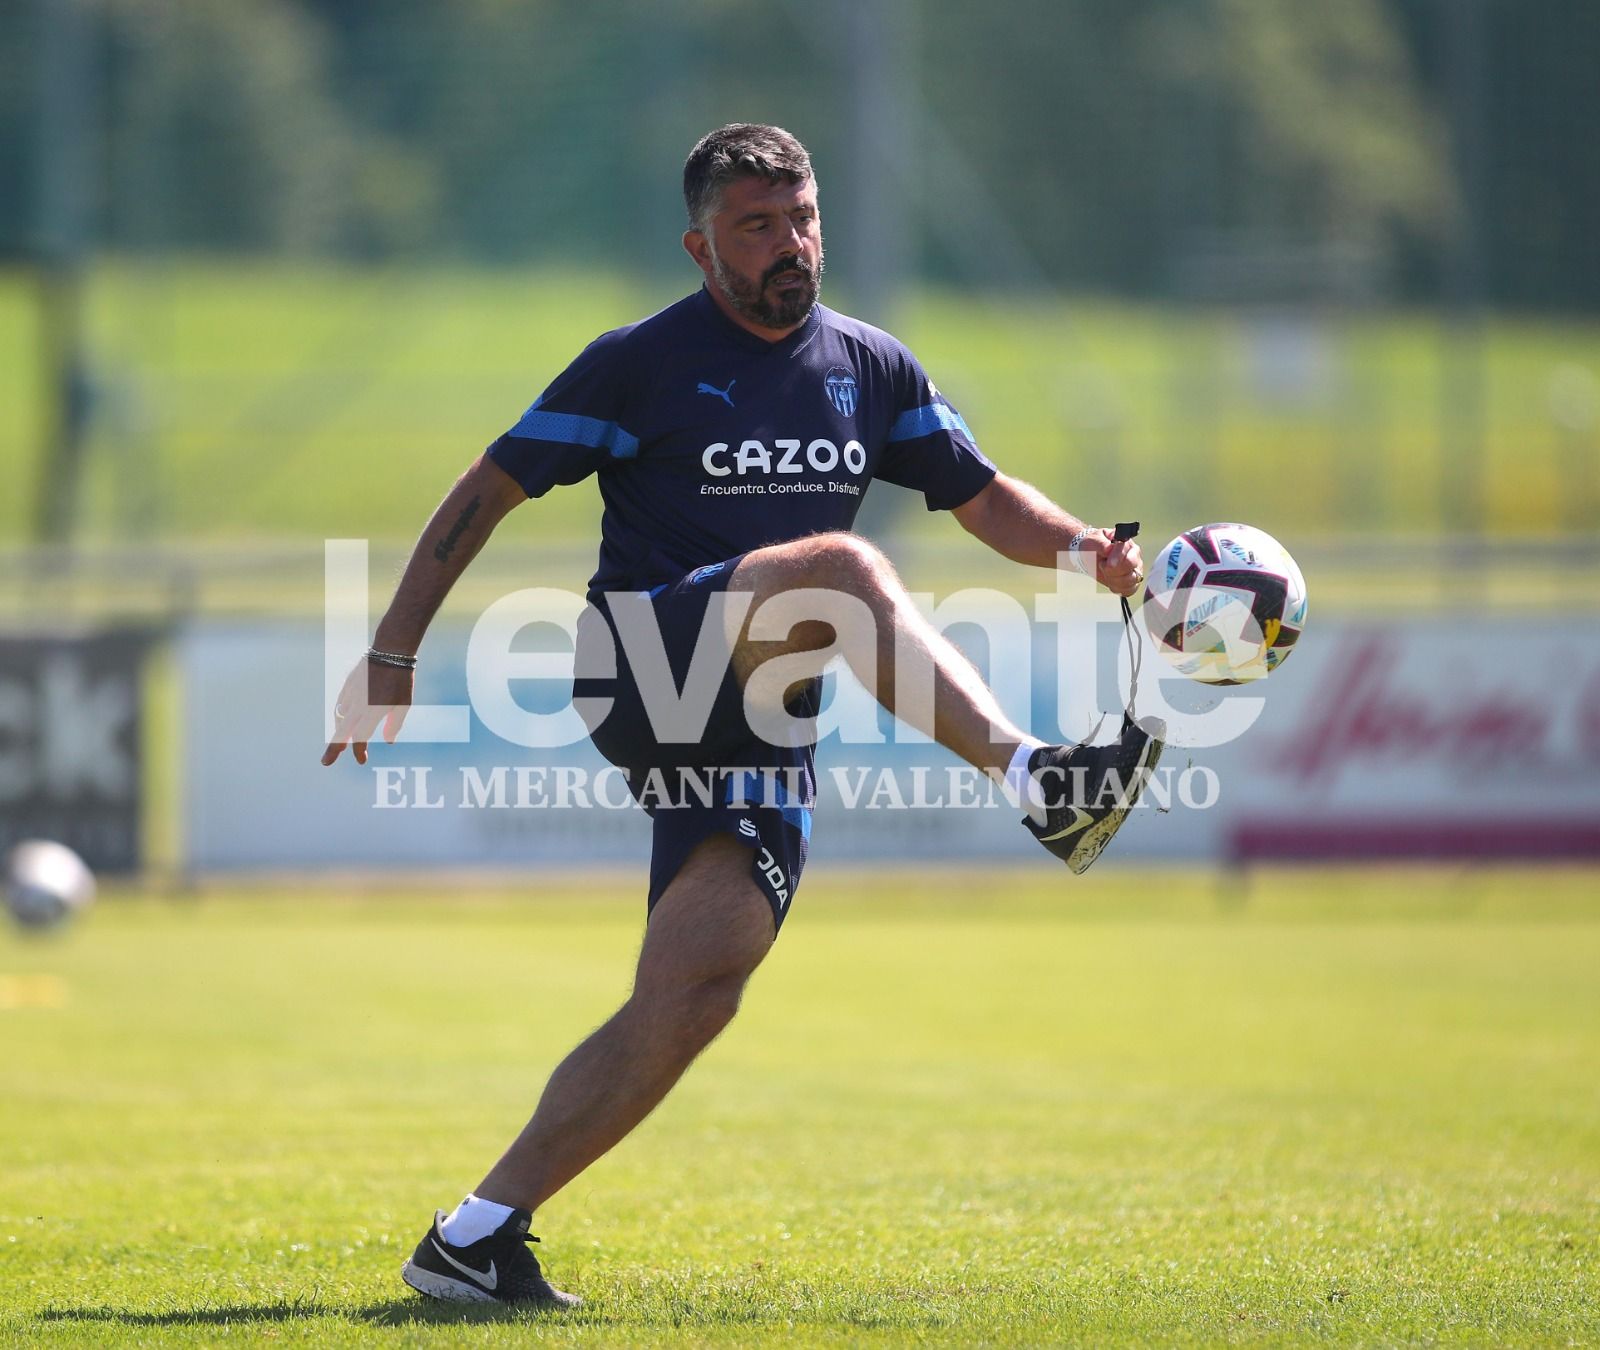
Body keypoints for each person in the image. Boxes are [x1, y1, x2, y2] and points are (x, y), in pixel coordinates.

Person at [322, 123, 1164, 1309]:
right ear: (700, 243)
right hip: (640, 662)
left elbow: (981, 500)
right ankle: (1042, 783)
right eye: (756, 226)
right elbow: (485, 492)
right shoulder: (636, 362)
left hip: (760, 725)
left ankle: (472, 1237)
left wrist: (1081, 546)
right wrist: (391, 651)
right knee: (841, 569)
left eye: (801, 217)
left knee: (696, 992)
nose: (788, 245)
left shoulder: (869, 366)